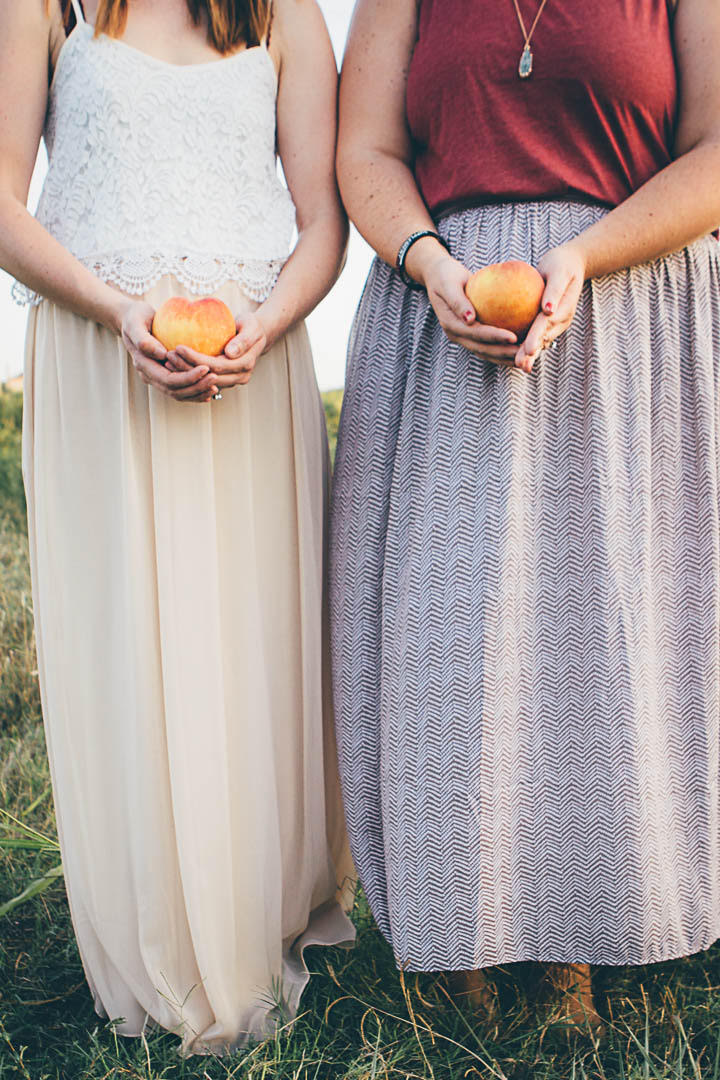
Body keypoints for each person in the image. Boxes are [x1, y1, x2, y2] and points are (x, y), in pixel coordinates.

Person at [330, 0, 720, 1030]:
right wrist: (429, 262)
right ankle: (453, 927)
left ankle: (576, 938)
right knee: (447, 642)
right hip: (443, 311)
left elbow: (716, 153)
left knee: (595, 642)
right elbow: (366, 150)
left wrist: (583, 256)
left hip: (627, 312)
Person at [0, 0, 354, 1054]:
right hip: (99, 359)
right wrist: (114, 308)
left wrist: (267, 325)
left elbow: (324, 224)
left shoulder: (282, 13)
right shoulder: (46, 6)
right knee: (130, 652)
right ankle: (156, 939)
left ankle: (255, 918)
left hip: (253, 364)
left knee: (245, 649)